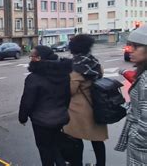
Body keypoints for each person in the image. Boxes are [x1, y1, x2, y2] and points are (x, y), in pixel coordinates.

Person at [19, 45, 72, 166]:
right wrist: (63, 111)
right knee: (55, 146)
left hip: (41, 122)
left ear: (38, 58)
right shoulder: (63, 74)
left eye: (31, 56)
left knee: (44, 149)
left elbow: (27, 101)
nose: (30, 58)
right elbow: (67, 96)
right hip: (60, 118)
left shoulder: (34, 78)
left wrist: (23, 117)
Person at [63, 34, 107, 166]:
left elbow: (70, 90)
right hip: (96, 105)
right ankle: (101, 164)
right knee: (97, 140)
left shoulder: (76, 67)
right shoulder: (94, 62)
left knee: (75, 139)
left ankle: (77, 163)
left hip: (79, 111)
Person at [115, 25, 147, 165]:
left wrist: (136, 137)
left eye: (136, 47)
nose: (130, 51)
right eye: (130, 46)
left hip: (142, 148)